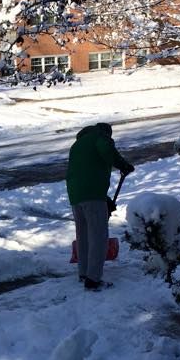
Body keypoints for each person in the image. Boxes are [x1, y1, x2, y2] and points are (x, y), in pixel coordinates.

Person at [65, 122, 134, 291]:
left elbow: (86, 171)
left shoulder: (77, 144)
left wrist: (104, 198)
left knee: (83, 235)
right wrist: (123, 165)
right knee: (98, 236)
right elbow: (106, 150)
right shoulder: (100, 137)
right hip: (92, 194)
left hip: (76, 195)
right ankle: (93, 279)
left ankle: (84, 272)